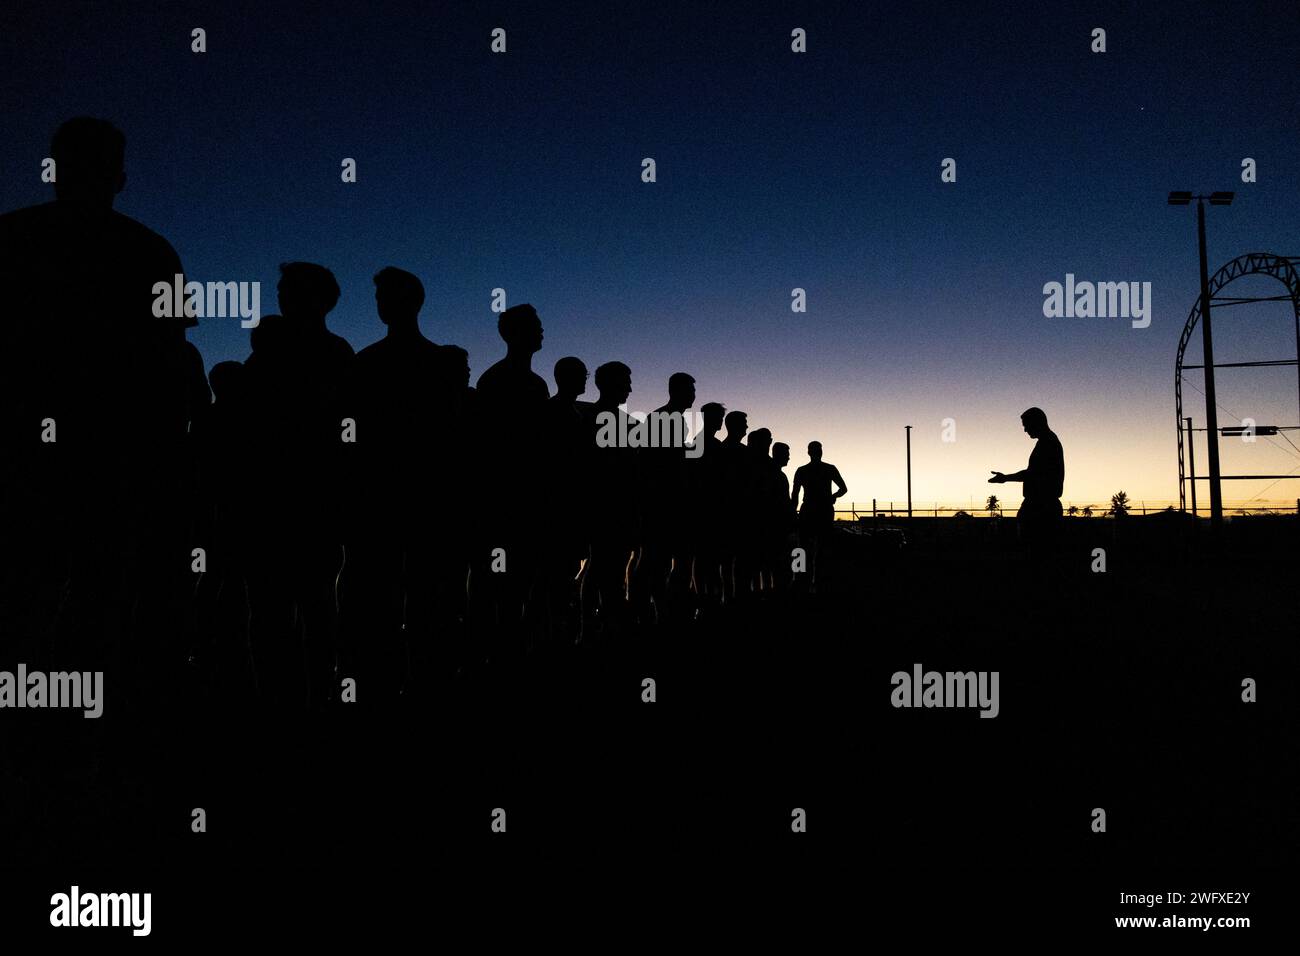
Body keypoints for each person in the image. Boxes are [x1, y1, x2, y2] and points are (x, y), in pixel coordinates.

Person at [989, 406, 1065, 554]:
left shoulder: (1048, 443)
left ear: (1037, 422)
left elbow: (1032, 474)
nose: (1025, 430)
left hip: (1041, 507)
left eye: (1026, 425)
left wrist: (1005, 478)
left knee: (1036, 550)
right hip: (1041, 506)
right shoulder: (1048, 442)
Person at [791, 441, 847, 591]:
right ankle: (820, 579)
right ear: (820, 452)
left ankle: (800, 578)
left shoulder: (802, 470)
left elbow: (795, 495)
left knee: (802, 547)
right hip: (823, 510)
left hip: (809, 510)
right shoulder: (829, 469)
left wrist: (792, 512)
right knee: (821, 547)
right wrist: (833, 496)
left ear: (808, 452)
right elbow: (843, 489)